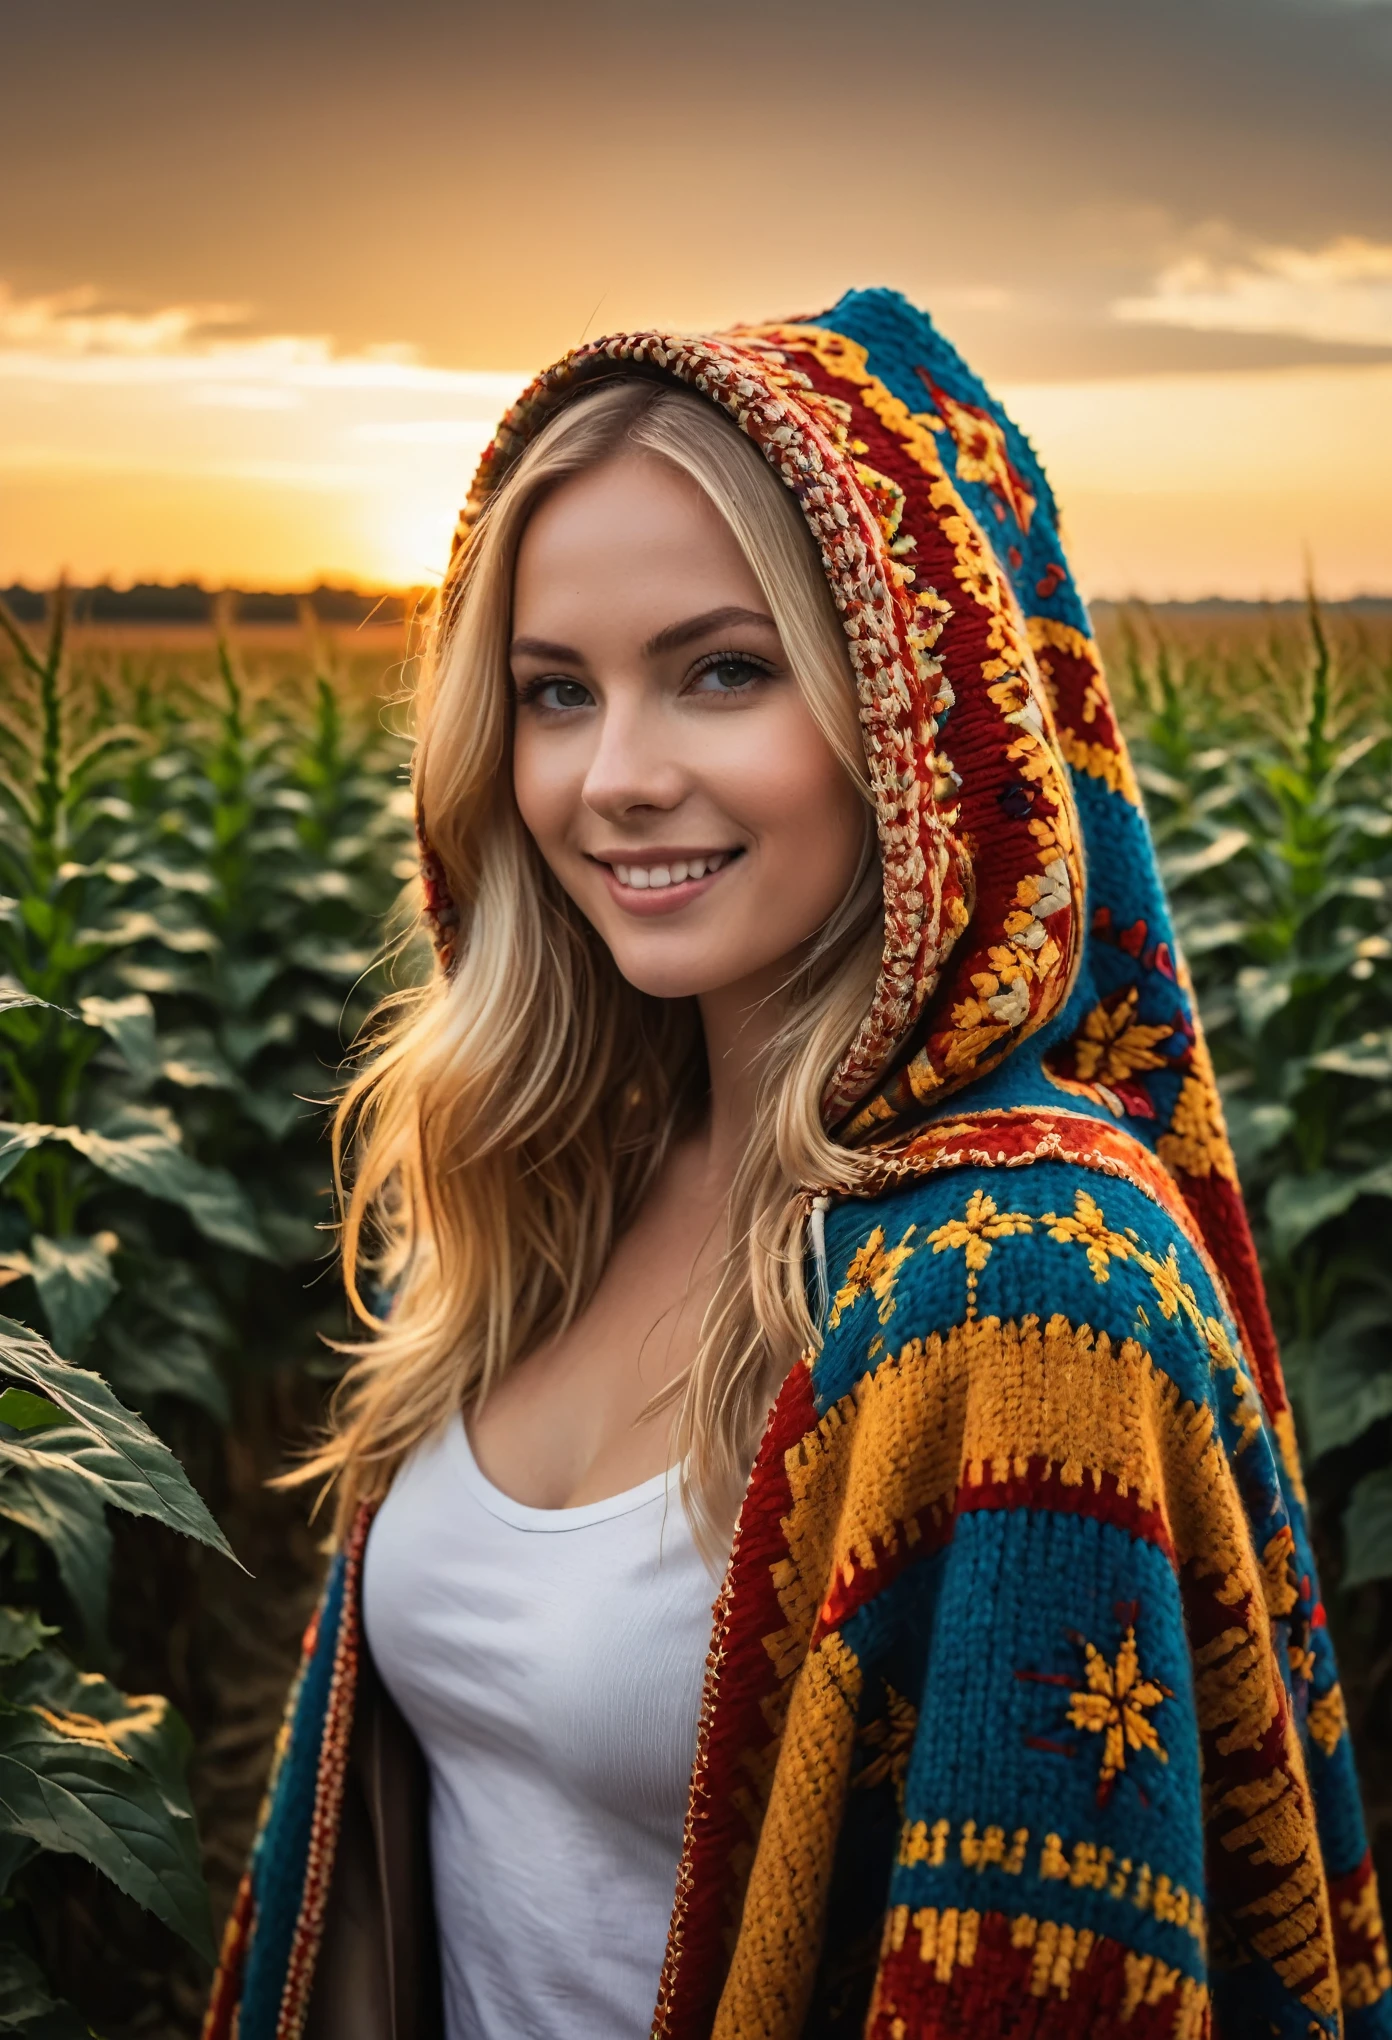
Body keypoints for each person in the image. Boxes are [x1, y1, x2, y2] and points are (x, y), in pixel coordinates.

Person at [204, 290, 1391, 2040]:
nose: (614, 778)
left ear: (916, 720)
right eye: (552, 693)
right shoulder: (563, 1178)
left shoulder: (1030, 1293)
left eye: (722, 671)